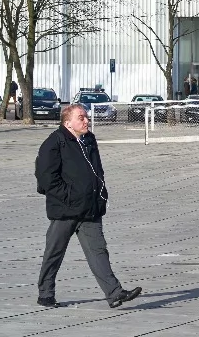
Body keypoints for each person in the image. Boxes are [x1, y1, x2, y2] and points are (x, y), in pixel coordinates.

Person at [34, 103, 142, 309]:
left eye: (86, 117)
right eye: (81, 118)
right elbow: (46, 178)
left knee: (98, 251)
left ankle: (115, 293)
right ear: (68, 123)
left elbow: (96, 171)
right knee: (54, 252)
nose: (86, 121)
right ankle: (45, 294)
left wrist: (101, 194)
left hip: (90, 208)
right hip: (65, 210)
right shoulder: (54, 143)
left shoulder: (89, 140)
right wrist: (69, 196)